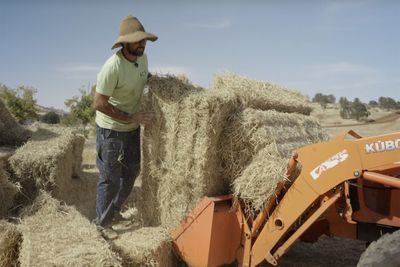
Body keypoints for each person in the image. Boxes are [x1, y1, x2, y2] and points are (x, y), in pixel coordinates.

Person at [93, 15, 157, 229]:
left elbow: (145, 77)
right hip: (110, 130)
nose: (142, 44)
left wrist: (165, 85)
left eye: (144, 40)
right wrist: (132, 117)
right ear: (125, 42)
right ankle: (102, 225)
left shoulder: (143, 59)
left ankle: (113, 211)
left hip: (132, 129)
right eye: (138, 40)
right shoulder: (112, 67)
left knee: (131, 173)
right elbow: (99, 103)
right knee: (109, 179)